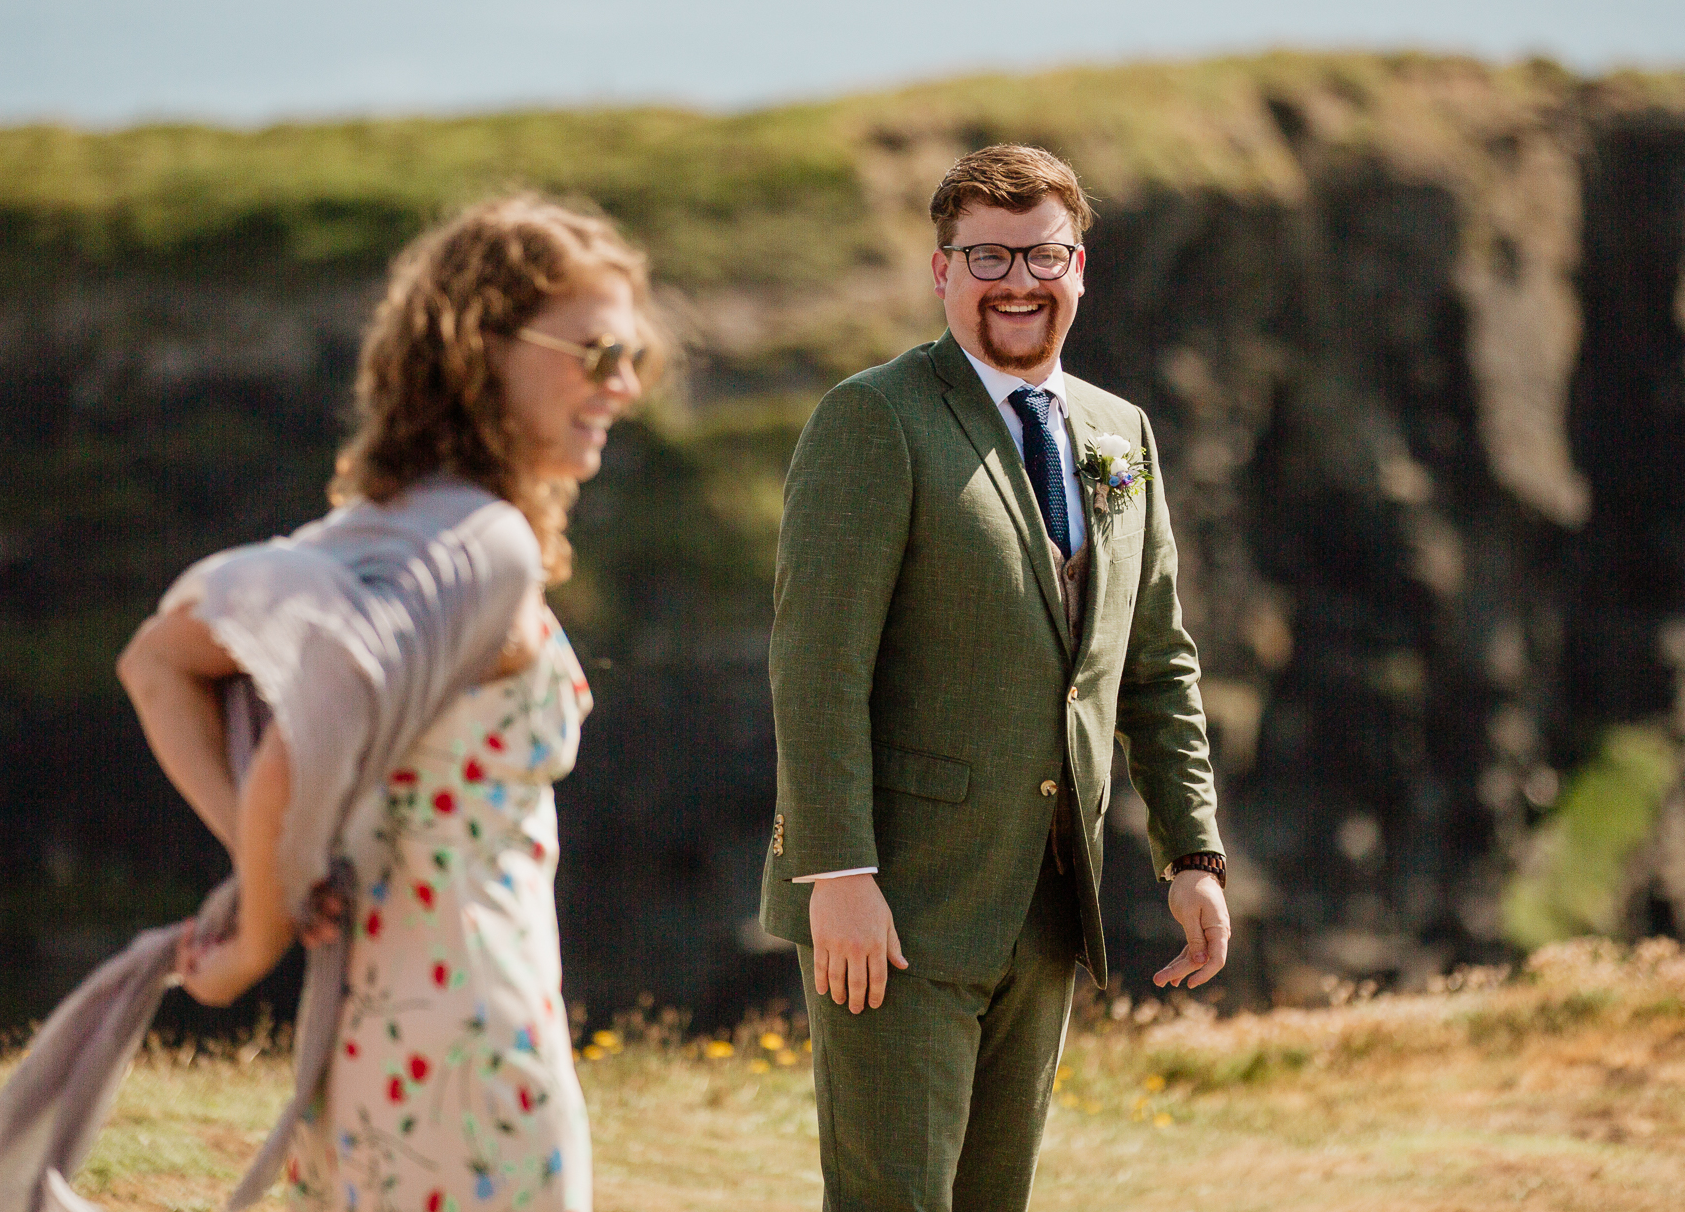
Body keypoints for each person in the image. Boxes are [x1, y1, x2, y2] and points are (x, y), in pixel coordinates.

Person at [112, 195, 659, 1211]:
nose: (623, 385)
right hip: (477, 1039)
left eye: (636, 356)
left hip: (371, 1039)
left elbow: (158, 661)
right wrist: (261, 930)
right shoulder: (485, 546)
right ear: (481, 347)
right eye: (596, 352)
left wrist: (271, 860)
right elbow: (309, 733)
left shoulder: (364, 531)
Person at [757, 144, 1231, 1212]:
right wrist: (836, 872)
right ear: (941, 272)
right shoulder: (874, 418)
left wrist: (1190, 850)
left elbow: (1156, 663)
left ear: (1079, 269)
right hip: (896, 906)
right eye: (986, 256)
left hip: (1050, 903)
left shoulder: (1121, 435)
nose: (1017, 279)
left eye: (1043, 254)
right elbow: (817, 661)